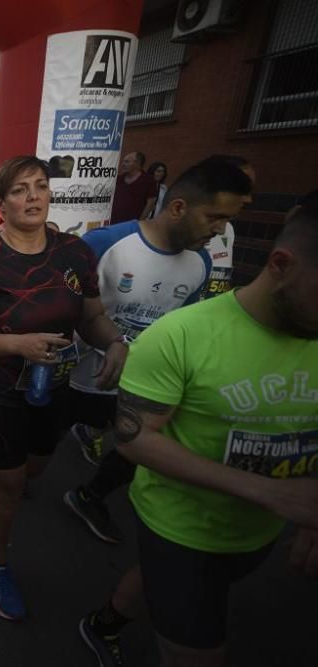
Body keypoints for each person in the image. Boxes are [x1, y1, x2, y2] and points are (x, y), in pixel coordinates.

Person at [79, 205, 318, 667]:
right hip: (179, 530)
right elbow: (130, 437)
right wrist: (270, 492)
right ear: (283, 264)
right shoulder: (180, 336)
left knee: (158, 579)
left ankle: (105, 622)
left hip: (257, 535)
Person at [0, 155, 128, 621]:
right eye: (20, 189)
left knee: (33, 472)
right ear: (1, 204)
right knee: (7, 486)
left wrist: (115, 344)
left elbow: (92, 316)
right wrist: (17, 344)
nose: (33, 197)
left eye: (40, 186)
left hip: (55, 388)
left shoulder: (75, 252)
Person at [62, 160, 253, 545]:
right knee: (27, 465)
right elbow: (60, 309)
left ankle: (90, 495)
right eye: (214, 217)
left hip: (142, 385)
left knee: (143, 444)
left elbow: (179, 328)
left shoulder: (200, 263)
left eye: (228, 220)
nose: (220, 230)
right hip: (77, 380)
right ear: (178, 207)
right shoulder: (103, 244)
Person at [198, 155, 256, 300]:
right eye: (243, 187)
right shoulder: (186, 229)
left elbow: (222, 277)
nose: (249, 198)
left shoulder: (228, 229)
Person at [109, 151, 158, 224]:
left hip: (132, 225)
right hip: (113, 223)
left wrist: (139, 222)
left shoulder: (148, 181)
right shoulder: (118, 179)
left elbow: (150, 203)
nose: (123, 164)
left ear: (137, 163)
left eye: (127, 162)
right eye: (123, 162)